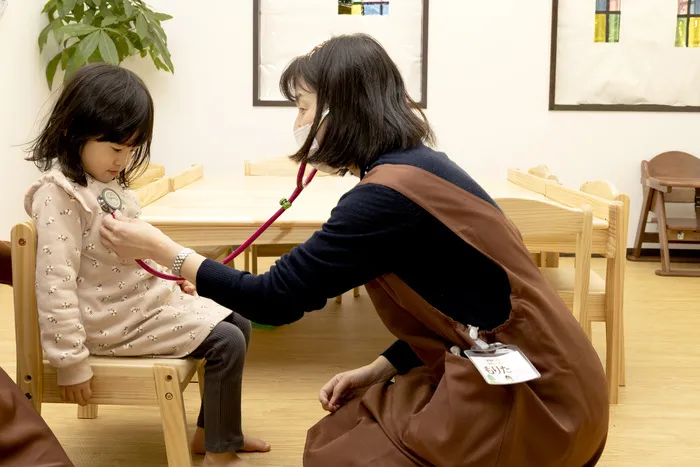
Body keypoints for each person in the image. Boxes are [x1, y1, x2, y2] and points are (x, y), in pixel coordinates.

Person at [100, 34, 610, 466]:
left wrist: (166, 251)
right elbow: (463, 302)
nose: (299, 124)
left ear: (340, 109)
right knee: (343, 427)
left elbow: (275, 298)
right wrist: (383, 366)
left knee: (334, 454)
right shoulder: (423, 166)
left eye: (303, 108)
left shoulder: (384, 198)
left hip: (540, 402)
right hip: (558, 378)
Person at [25, 63, 268, 467]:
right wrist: (70, 363)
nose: (125, 159)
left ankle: (215, 435)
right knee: (227, 341)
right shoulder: (59, 195)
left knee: (238, 320)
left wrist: (176, 277)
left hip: (133, 305)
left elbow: (135, 251)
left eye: (133, 149)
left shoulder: (105, 184)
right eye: (116, 148)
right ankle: (219, 453)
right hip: (106, 322)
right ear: (72, 130)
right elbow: (54, 284)